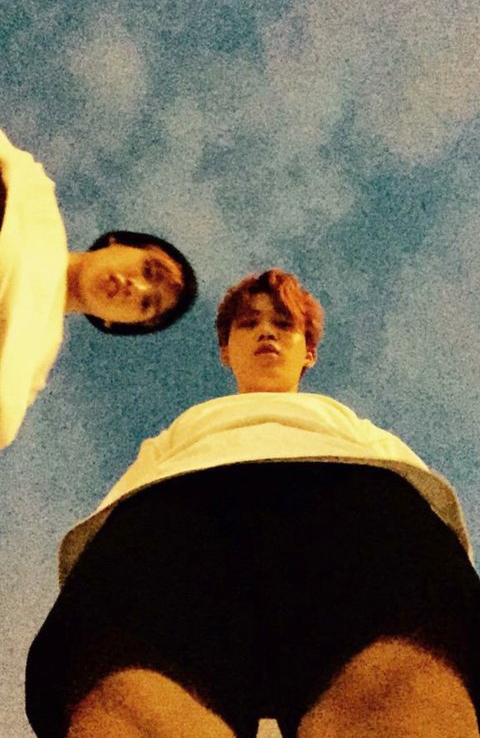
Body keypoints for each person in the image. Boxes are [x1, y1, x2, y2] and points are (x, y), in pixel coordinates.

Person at [26, 269, 480, 737]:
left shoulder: (349, 424)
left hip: (349, 497)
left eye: (283, 324)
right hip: (179, 504)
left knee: (403, 688)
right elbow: (119, 509)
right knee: (132, 697)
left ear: (308, 352)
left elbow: (422, 503)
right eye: (249, 323)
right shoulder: (181, 430)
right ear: (226, 351)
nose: (266, 332)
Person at [0, 129, 197, 450]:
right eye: (148, 270)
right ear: (116, 242)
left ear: (113, 323)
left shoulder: (38, 352)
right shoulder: (36, 199)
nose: (135, 287)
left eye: (146, 304)